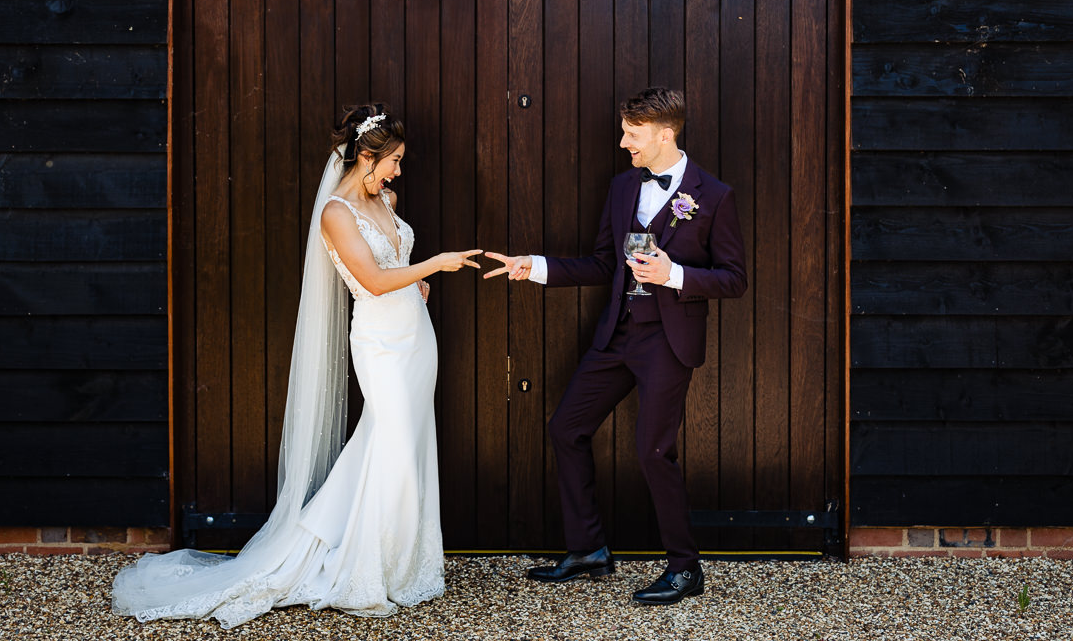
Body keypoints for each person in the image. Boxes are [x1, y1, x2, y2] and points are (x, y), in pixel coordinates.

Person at [112, 104, 482, 628]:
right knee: (393, 443)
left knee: (403, 443)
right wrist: (436, 265)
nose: (398, 172)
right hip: (379, 343)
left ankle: (400, 565)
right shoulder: (336, 212)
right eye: (393, 160)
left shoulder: (390, 200)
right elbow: (372, 283)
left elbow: (394, 269)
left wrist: (416, 284)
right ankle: (355, 564)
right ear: (366, 156)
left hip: (417, 336)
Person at [484, 87, 747, 606]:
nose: (623, 142)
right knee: (566, 427)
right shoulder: (623, 187)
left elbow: (735, 278)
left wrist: (677, 275)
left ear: (665, 134)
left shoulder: (713, 196)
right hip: (617, 334)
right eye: (624, 130)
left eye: (633, 133)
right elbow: (604, 264)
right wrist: (533, 267)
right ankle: (588, 550)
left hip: (668, 342)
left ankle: (684, 568)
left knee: (653, 451)